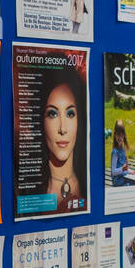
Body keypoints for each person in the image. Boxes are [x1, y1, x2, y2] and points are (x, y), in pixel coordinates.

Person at [37, 67, 87, 210]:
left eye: (70, 114)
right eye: (52, 114)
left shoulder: (90, 182)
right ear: (41, 120)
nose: (62, 129)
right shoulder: (26, 192)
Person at [110, 118, 133, 186]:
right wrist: (122, 169)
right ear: (115, 134)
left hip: (124, 176)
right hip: (117, 180)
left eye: (122, 135)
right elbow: (113, 172)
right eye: (118, 135)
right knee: (129, 186)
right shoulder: (115, 152)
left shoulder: (122, 149)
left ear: (124, 136)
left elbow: (125, 168)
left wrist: (130, 171)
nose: (120, 138)